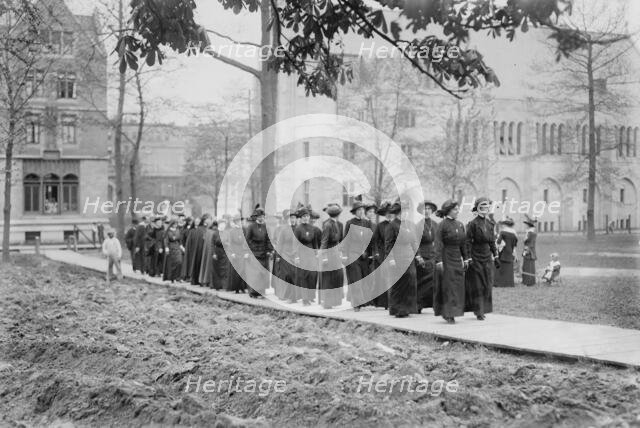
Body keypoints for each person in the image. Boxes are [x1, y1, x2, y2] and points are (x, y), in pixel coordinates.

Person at [434, 200, 469, 324]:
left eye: (458, 209)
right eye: (455, 209)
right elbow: (438, 244)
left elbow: (463, 243)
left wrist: (465, 258)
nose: (457, 211)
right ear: (449, 211)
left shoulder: (460, 225)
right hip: (446, 257)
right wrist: (438, 261)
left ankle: (455, 311)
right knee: (449, 286)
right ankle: (448, 313)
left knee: (457, 286)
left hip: (457, 258)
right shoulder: (442, 225)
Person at [384, 200, 420, 318]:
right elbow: (388, 244)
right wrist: (391, 258)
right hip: (397, 256)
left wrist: (417, 255)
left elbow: (414, 241)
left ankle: (407, 308)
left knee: (410, 281)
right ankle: (397, 309)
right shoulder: (392, 225)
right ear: (398, 212)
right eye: (403, 211)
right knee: (399, 283)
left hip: (408, 256)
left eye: (406, 211)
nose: (405, 213)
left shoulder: (410, 224)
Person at [464, 197, 497, 320]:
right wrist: (468, 258)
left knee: (487, 284)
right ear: (477, 208)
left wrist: (496, 255)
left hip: (487, 257)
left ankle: (485, 308)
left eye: (487, 207)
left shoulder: (490, 224)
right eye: (482, 207)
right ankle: (479, 311)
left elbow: (492, 241)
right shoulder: (472, 224)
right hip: (476, 257)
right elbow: (467, 242)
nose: (485, 209)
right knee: (477, 284)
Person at [343, 201, 373, 311]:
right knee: (355, 279)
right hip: (353, 255)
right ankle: (356, 304)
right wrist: (345, 255)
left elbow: (370, 240)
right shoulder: (349, 223)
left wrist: (370, 254)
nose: (361, 212)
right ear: (355, 211)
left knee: (364, 279)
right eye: (359, 210)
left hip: (364, 256)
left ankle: (362, 301)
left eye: (362, 210)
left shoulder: (367, 223)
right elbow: (345, 241)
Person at [319, 203, 345, 309]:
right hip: (328, 255)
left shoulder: (338, 224)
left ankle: (335, 301)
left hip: (335, 254)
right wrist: (324, 257)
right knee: (328, 279)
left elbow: (341, 241)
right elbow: (324, 242)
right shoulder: (328, 225)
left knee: (337, 277)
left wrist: (341, 253)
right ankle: (327, 302)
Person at [293, 207, 321, 305]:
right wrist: (296, 256)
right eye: (304, 216)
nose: (306, 218)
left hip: (311, 255)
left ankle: (310, 296)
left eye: (307, 216)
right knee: (304, 276)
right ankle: (305, 299)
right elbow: (295, 244)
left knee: (312, 275)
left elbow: (315, 242)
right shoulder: (298, 229)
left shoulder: (311, 228)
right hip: (302, 254)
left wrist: (316, 252)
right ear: (300, 218)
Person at [244, 205, 273, 298]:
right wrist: (246, 252)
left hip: (263, 253)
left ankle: (261, 291)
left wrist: (270, 250)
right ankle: (253, 292)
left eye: (263, 216)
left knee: (263, 273)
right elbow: (246, 240)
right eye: (260, 216)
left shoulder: (265, 227)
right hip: (254, 253)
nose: (262, 218)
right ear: (256, 217)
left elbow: (268, 240)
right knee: (254, 274)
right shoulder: (251, 227)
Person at [416, 200, 438, 313]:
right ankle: (419, 304)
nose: (427, 211)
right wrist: (418, 256)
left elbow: (438, 241)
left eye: (429, 209)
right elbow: (415, 242)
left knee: (433, 281)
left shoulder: (435, 224)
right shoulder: (418, 225)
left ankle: (433, 304)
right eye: (425, 209)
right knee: (422, 281)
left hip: (432, 255)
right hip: (422, 255)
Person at [370, 202, 391, 309]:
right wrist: (377, 253)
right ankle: (384, 302)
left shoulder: (397, 224)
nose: (389, 215)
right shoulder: (380, 226)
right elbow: (375, 241)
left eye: (391, 212)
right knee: (382, 278)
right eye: (387, 213)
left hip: (394, 253)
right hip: (383, 253)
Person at [276, 209, 299, 303]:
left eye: (294, 217)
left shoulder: (298, 229)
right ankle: (288, 296)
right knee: (288, 275)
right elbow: (279, 244)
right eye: (290, 218)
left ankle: (294, 297)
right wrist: (278, 256)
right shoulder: (284, 230)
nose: (292, 220)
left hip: (296, 255)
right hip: (285, 254)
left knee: (295, 275)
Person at [226, 214, 248, 293]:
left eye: (240, 221)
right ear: (235, 222)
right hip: (236, 253)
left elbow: (247, 242)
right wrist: (232, 253)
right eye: (237, 221)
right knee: (236, 271)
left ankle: (242, 287)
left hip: (243, 252)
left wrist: (246, 252)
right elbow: (230, 243)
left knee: (243, 271)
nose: (239, 222)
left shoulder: (244, 230)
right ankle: (236, 288)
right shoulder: (232, 231)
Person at [495, 216, 518, 288]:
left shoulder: (503, 232)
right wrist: (515, 254)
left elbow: (498, 242)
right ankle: (509, 283)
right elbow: (514, 245)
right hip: (510, 251)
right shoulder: (514, 233)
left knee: (502, 267)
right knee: (509, 268)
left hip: (503, 251)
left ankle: (501, 283)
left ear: (505, 225)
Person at [189, 214, 211, 285]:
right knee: (199, 263)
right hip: (200, 250)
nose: (210, 220)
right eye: (208, 218)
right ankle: (197, 279)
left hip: (207, 250)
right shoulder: (200, 229)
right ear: (204, 220)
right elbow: (198, 241)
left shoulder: (209, 228)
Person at [522, 214, 538, 286]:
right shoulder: (532, 232)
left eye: (526, 225)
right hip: (531, 250)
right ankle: (531, 281)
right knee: (530, 266)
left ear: (529, 225)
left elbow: (527, 242)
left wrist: (526, 250)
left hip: (528, 250)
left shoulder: (530, 233)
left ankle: (528, 281)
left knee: (528, 266)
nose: (525, 226)